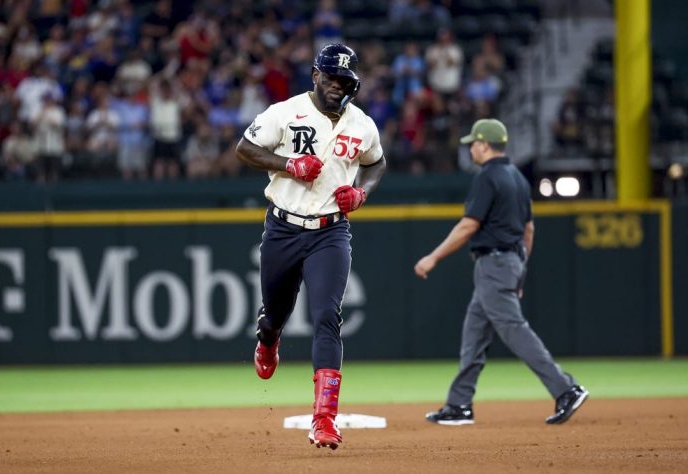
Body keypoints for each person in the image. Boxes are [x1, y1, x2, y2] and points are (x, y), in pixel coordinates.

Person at [235, 43, 386, 450]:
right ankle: (268, 340)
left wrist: (362, 192)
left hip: (330, 232)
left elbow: (376, 162)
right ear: (316, 75)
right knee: (275, 315)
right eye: (331, 77)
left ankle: (324, 419)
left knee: (326, 317)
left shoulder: (362, 124)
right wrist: (288, 164)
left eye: (345, 80)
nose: (337, 85)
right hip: (283, 228)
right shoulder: (284, 112)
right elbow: (244, 149)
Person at [414, 118, 588, 426]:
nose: (471, 150)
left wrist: (433, 257)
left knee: (515, 330)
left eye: (473, 144)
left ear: (483, 144)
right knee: (474, 334)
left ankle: (566, 388)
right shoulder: (517, 178)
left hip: (494, 264)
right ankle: (459, 405)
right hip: (506, 264)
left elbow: (469, 225)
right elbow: (529, 229)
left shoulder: (488, 177)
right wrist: (520, 270)